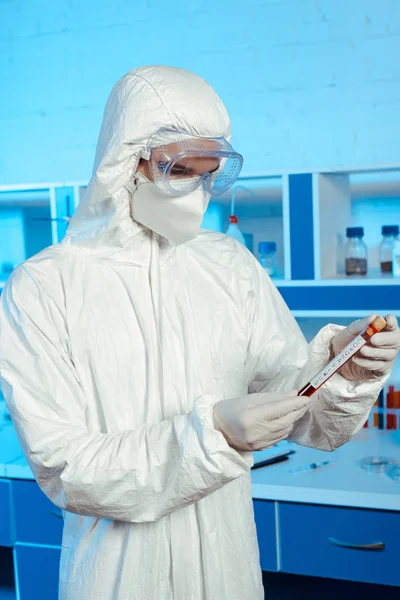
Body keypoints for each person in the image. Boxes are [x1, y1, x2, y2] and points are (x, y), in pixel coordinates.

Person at [0, 66, 399, 600]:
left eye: (208, 173)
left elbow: (305, 417)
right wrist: (213, 435)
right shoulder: (44, 289)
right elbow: (66, 468)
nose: (197, 191)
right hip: (118, 579)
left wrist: (341, 375)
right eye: (179, 169)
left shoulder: (228, 266)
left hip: (228, 569)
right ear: (126, 160)